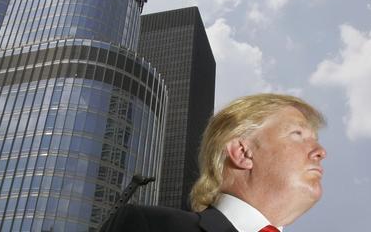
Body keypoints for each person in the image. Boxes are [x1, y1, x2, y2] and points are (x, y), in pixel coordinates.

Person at [100, 93, 326, 232]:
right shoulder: (152, 226)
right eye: (298, 134)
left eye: (315, 140)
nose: (321, 152)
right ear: (242, 153)